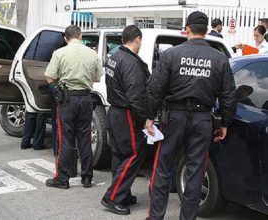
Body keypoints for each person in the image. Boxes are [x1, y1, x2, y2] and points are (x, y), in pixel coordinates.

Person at [146, 11, 236, 220]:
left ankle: (155, 216)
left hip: (174, 118)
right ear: (206, 31)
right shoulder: (220, 59)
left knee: (162, 168)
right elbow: (228, 95)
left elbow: (154, 89)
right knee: (196, 172)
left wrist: (150, 117)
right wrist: (224, 123)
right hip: (203, 120)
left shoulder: (171, 55)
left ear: (187, 29)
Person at [44, 25, 103, 189]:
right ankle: (87, 178)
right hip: (86, 99)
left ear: (65, 38)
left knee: (65, 139)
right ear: (81, 36)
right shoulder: (92, 53)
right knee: (85, 138)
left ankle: (62, 178)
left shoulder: (59, 53)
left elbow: (49, 77)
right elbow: (97, 77)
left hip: (67, 99)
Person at [101, 25, 149, 215]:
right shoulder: (130, 62)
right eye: (140, 41)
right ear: (137, 39)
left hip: (115, 110)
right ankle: (113, 197)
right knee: (134, 153)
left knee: (120, 155)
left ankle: (123, 194)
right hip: (126, 113)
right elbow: (136, 96)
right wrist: (145, 119)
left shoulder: (114, 57)